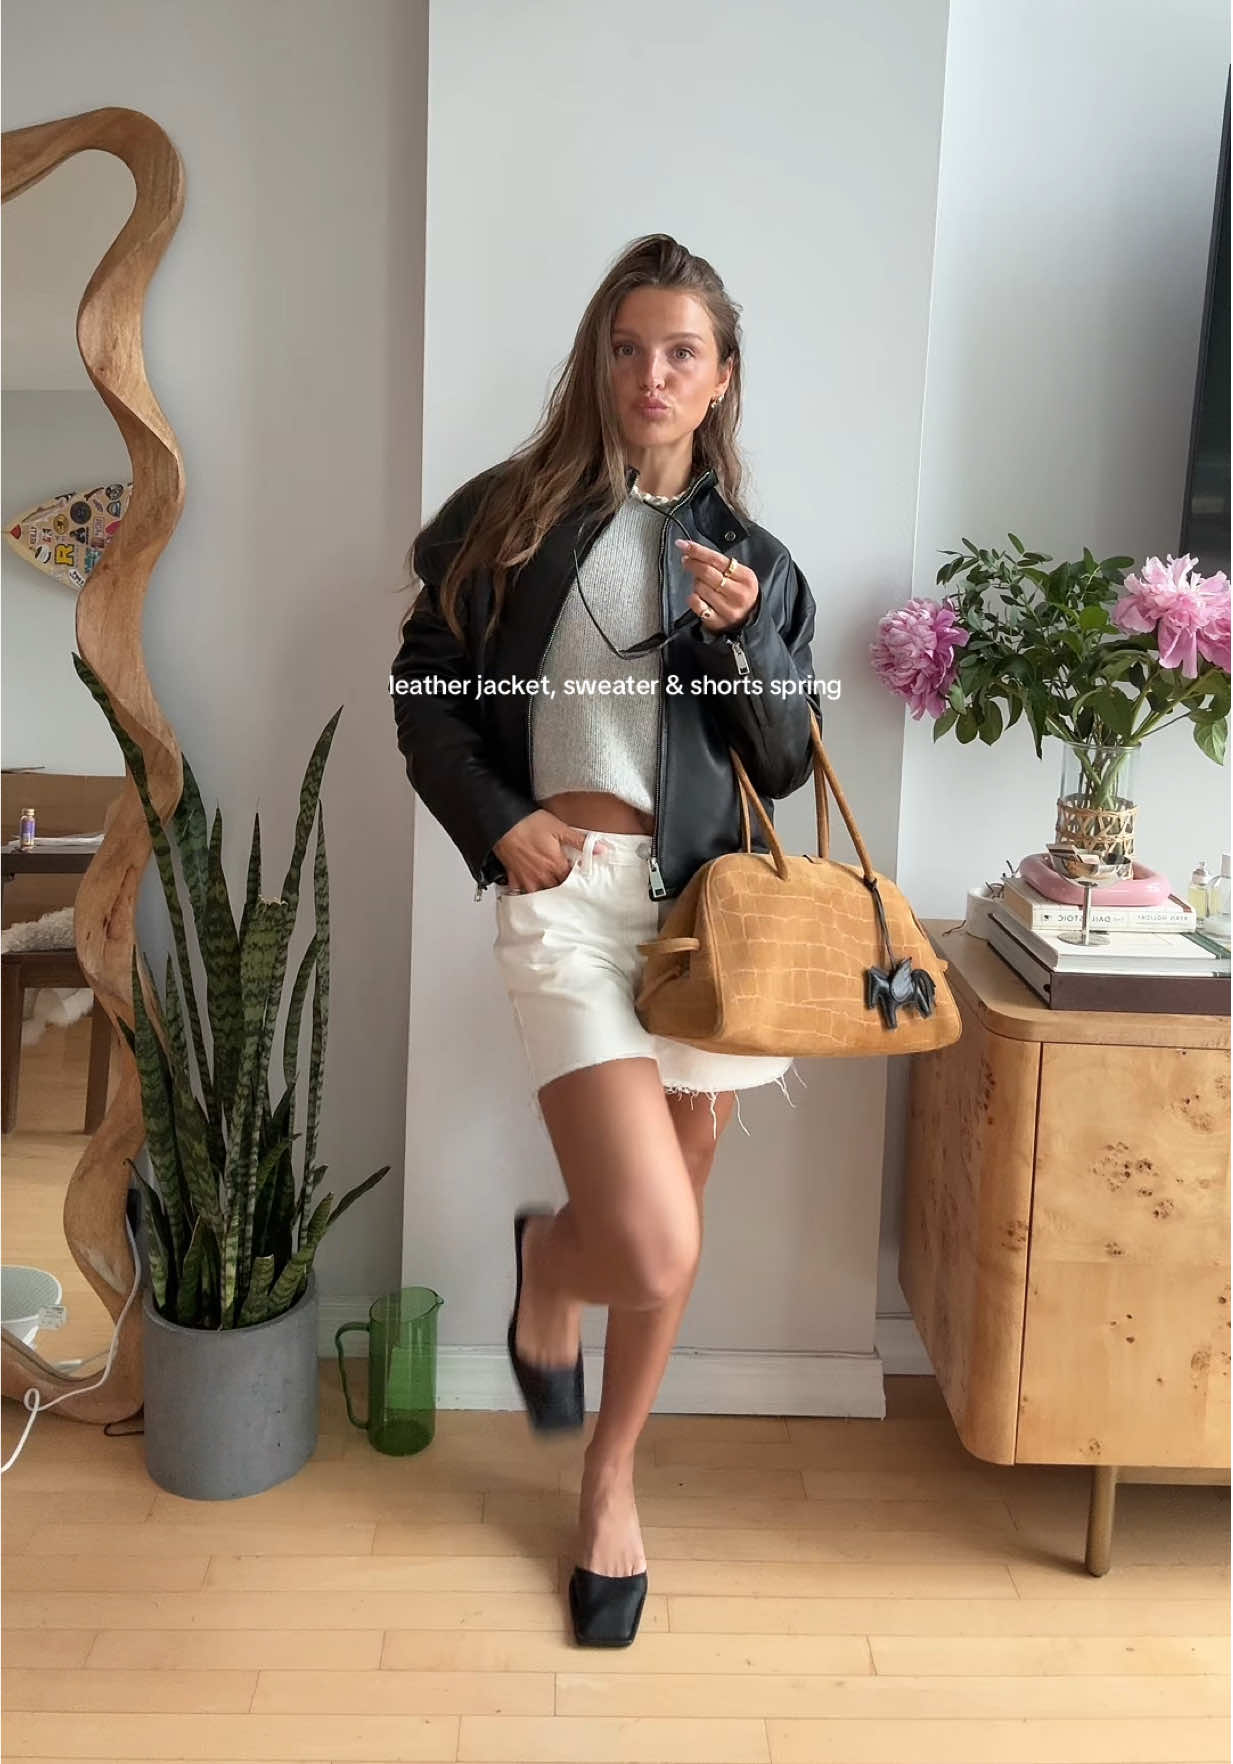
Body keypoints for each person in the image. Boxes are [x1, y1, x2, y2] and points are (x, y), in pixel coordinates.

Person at [391, 233, 820, 1647]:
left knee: (674, 1236)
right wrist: (499, 819)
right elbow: (425, 689)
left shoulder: (757, 565)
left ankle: (610, 1477)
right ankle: (553, 1268)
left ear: (722, 377)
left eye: (681, 352)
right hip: (567, 901)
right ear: (598, 361)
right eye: (628, 348)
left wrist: (746, 643)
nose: (652, 375)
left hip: (702, 922)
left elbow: (783, 760)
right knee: (644, 1241)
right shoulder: (508, 518)